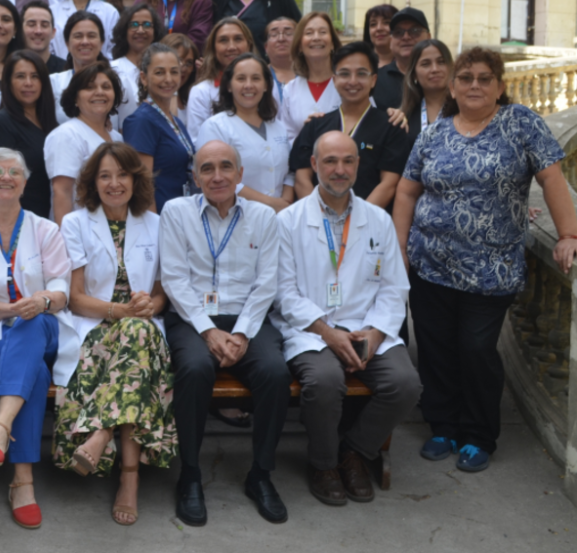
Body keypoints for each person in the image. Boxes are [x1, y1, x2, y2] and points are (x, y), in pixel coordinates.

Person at [393, 47, 577, 473]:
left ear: (499, 86)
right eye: (466, 77)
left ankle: (479, 434)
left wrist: (568, 234)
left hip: (490, 269)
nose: (474, 84)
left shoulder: (520, 124)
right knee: (436, 348)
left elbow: (552, 178)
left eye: (484, 77)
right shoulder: (434, 133)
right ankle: (443, 426)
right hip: (430, 263)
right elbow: (406, 191)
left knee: (476, 349)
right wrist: (400, 248)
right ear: (453, 87)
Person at [273, 131, 422, 506]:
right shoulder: (288, 222)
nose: (339, 170)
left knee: (405, 384)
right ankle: (323, 464)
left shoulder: (378, 220)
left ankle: (354, 452)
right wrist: (326, 332)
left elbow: (393, 287)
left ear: (357, 165)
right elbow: (284, 293)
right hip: (310, 330)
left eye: (348, 161)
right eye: (330, 161)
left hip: (367, 326)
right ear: (314, 165)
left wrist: (374, 334)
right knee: (324, 381)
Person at [160, 140, 291, 526]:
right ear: (195, 176)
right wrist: (207, 330)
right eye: (206, 168)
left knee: (274, 372)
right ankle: (190, 475)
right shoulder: (176, 212)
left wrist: (243, 333)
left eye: (225, 167)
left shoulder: (265, 218)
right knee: (196, 369)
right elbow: (174, 279)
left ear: (240, 174)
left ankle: (261, 474)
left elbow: (267, 283)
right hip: (191, 318)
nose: (217, 176)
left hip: (246, 319)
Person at [54, 142, 175, 526]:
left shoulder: (157, 223)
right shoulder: (75, 222)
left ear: (135, 179)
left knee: (138, 334)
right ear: (92, 181)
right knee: (134, 343)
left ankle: (102, 436)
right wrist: (118, 311)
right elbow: (74, 298)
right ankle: (129, 476)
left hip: (142, 327)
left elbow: (163, 292)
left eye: (122, 174)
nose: (114, 183)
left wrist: (149, 307)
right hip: (95, 327)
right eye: (104, 175)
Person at [0, 148, 71, 529]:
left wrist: (41, 301)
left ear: (25, 183)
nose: (5, 177)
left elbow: (61, 290)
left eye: (14, 171)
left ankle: (0, 427)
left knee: (31, 325)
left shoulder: (45, 229)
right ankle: (23, 482)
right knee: (36, 377)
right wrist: (8, 310)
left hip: (43, 327)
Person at [290, 41, 411, 210]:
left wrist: (357, 220)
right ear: (334, 80)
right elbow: (302, 178)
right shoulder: (315, 125)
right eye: (345, 74)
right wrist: (319, 216)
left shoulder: (391, 127)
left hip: (368, 224)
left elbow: (389, 184)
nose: (353, 81)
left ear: (373, 80)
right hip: (317, 223)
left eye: (361, 74)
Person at [198, 53, 294, 213]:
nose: (248, 85)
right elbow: (217, 178)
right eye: (241, 79)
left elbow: (290, 171)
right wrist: (272, 204)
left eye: (256, 78)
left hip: (279, 218)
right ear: (229, 86)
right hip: (236, 216)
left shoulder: (277, 126)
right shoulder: (215, 127)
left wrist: (285, 202)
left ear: (265, 85)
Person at [0, 50, 59, 219]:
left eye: (35, 76)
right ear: (8, 83)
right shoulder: (1, 124)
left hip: (51, 220)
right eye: (20, 76)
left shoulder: (52, 123)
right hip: (20, 221)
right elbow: (0, 182)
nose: (28, 83)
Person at [45, 63, 123, 226]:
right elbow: (62, 192)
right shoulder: (66, 135)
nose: (99, 92)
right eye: (89, 87)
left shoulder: (116, 138)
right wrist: (64, 243)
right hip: (80, 234)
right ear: (75, 98)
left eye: (106, 87)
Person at [122, 43, 195, 212]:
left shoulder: (174, 120)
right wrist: (154, 228)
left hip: (181, 214)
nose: (168, 79)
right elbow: (143, 184)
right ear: (144, 78)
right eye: (159, 72)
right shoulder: (141, 121)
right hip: (161, 219)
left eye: (174, 72)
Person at [49, 10, 138, 130]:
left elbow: (130, 128)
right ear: (67, 44)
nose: (85, 42)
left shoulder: (120, 81)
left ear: (101, 43)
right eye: (78, 36)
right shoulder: (53, 83)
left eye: (91, 36)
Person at [184, 17, 254, 141]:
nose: (231, 47)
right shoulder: (201, 92)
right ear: (214, 48)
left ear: (249, 44)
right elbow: (197, 142)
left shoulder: (265, 85)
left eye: (238, 39)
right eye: (223, 40)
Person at [279, 11, 343, 143]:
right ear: (300, 46)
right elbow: (286, 138)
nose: (316, 37)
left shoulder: (350, 83)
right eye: (309, 33)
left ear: (332, 43)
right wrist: (305, 135)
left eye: (323, 32)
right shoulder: (290, 90)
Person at [372, 7, 431, 111]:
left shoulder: (441, 78)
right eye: (398, 32)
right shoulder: (374, 81)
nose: (406, 37)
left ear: (428, 37)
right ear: (391, 41)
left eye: (415, 31)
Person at [400, 39, 453, 142]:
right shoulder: (404, 117)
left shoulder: (464, 109)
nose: (435, 69)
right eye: (425, 64)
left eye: (441, 62)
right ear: (414, 74)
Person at [109, 2, 164, 83]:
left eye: (147, 24)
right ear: (124, 30)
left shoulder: (164, 68)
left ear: (155, 31)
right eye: (134, 25)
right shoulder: (113, 69)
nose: (140, 31)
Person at [21, 0, 69, 73]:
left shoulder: (66, 70)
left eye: (44, 25)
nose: (38, 31)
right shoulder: (9, 68)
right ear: (20, 30)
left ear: (53, 32)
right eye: (31, 24)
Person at [162, 32, 200, 119]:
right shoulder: (154, 100)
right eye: (178, 60)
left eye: (189, 63)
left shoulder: (190, 99)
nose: (183, 68)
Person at [264, 17, 296, 106]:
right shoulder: (258, 76)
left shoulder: (310, 76)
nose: (281, 39)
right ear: (266, 47)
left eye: (288, 33)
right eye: (274, 34)